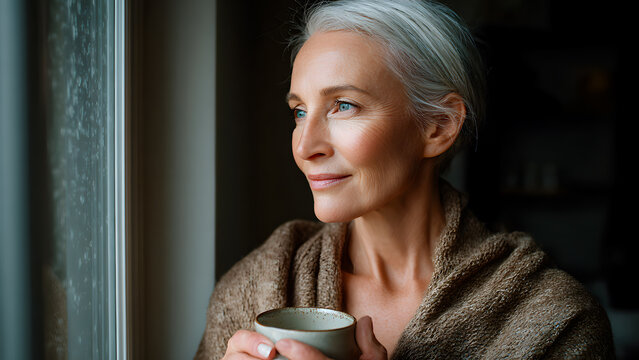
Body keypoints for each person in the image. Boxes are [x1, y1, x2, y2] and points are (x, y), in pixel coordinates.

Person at [195, 0, 614, 359]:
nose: (305, 147)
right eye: (299, 111)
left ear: (438, 126)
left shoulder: (556, 322)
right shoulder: (253, 287)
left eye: (343, 105)